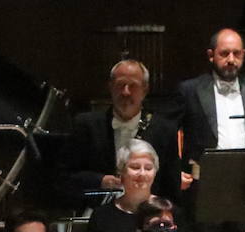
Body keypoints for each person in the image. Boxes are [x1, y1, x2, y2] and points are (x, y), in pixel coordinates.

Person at [59, 60, 182, 209]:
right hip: (96, 213)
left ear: (145, 90)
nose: (126, 92)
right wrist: (100, 181)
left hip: (146, 215)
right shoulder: (86, 125)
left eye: (133, 86)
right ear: (110, 87)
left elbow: (171, 187)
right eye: (120, 85)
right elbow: (64, 177)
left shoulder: (164, 130)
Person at [174, 28, 245, 167]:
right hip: (205, 175)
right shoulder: (190, 90)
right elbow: (168, 136)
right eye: (224, 54)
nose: (231, 60)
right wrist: (177, 171)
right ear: (211, 55)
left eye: (236, 54)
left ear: (243, 54)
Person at [85, 139, 180, 232]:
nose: (142, 174)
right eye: (135, 167)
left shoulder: (170, 213)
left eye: (148, 168)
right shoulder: (101, 216)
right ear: (121, 172)